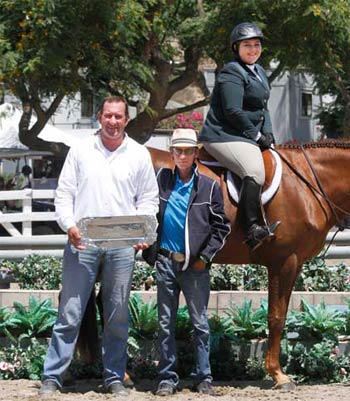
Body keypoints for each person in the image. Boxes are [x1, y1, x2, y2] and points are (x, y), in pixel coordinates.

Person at [39, 96, 159, 396]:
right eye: (108, 116)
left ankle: (114, 376)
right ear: (99, 118)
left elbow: (148, 200)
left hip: (122, 248)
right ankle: (52, 377)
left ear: (126, 120)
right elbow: (64, 194)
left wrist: (143, 231)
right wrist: (70, 226)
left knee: (117, 314)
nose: (113, 122)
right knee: (70, 312)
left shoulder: (139, 154)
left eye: (119, 116)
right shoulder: (80, 150)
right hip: (83, 243)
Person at [142, 128, 230, 397]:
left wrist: (205, 258)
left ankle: (203, 376)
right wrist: (152, 253)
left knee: (200, 324)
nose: (182, 155)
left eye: (187, 151)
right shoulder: (161, 181)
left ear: (196, 154)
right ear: (171, 153)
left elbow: (221, 227)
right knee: (165, 323)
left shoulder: (209, 186)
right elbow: (147, 213)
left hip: (195, 267)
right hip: (166, 262)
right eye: (177, 150)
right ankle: (167, 377)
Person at [199, 22, 280, 251]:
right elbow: (233, 111)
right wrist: (256, 135)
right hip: (223, 135)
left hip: (244, 134)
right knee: (254, 171)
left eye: (256, 45)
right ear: (237, 47)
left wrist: (269, 133)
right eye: (247, 45)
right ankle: (252, 229)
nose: (253, 49)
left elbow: (263, 108)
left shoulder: (260, 71)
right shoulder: (232, 71)